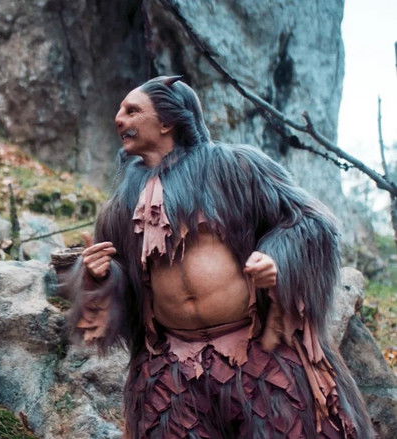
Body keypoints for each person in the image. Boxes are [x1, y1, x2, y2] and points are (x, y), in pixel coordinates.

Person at [66, 76, 374, 438]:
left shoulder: (236, 167)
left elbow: (310, 222)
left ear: (167, 122)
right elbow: (128, 289)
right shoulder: (120, 206)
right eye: (121, 111)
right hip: (170, 370)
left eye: (133, 111)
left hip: (256, 352)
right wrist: (99, 275)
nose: (119, 119)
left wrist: (277, 259)